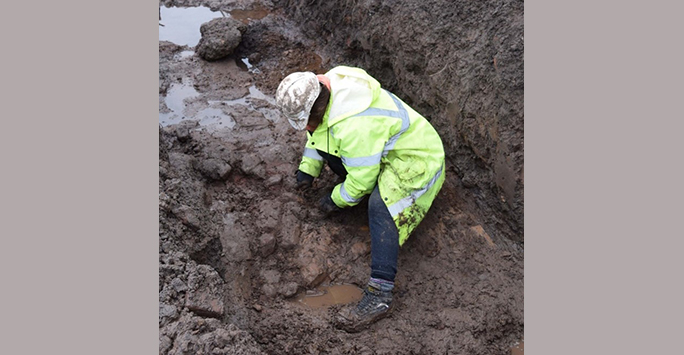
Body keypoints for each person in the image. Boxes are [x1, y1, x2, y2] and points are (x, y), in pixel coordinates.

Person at [275, 66, 445, 332]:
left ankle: (380, 294)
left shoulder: (354, 126)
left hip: (418, 160)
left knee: (380, 207)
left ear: (318, 107)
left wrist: (334, 200)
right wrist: (307, 171)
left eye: (306, 121)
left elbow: (361, 180)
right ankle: (363, 193)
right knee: (334, 155)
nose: (305, 128)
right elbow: (322, 135)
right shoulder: (330, 90)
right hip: (381, 149)